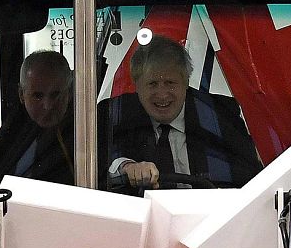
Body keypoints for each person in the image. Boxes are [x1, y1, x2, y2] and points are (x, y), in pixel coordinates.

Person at [103, 35, 262, 190]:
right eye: (152, 84)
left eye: (170, 83)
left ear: (186, 82)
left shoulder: (220, 116)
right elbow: (97, 166)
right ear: (136, 86)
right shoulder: (115, 114)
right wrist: (128, 167)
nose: (162, 94)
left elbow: (250, 179)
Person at [0, 50, 75, 184]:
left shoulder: (81, 138)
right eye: (38, 96)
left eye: (55, 95)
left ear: (69, 93)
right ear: (21, 94)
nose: (48, 105)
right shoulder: (10, 135)